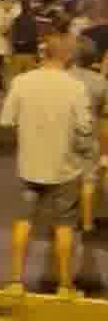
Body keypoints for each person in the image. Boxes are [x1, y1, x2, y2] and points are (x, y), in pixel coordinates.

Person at [0, 34, 95, 301]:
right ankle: (65, 286)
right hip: (64, 167)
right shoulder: (75, 87)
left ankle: (15, 280)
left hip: (29, 165)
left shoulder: (21, 82)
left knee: (23, 221)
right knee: (64, 226)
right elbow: (85, 127)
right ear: (67, 57)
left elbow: (6, 120)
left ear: (44, 53)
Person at [67, 35, 105, 236]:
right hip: (88, 133)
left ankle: (65, 222)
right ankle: (88, 224)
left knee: (65, 180)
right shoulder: (99, 81)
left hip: (63, 133)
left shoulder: (63, 76)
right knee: (88, 180)